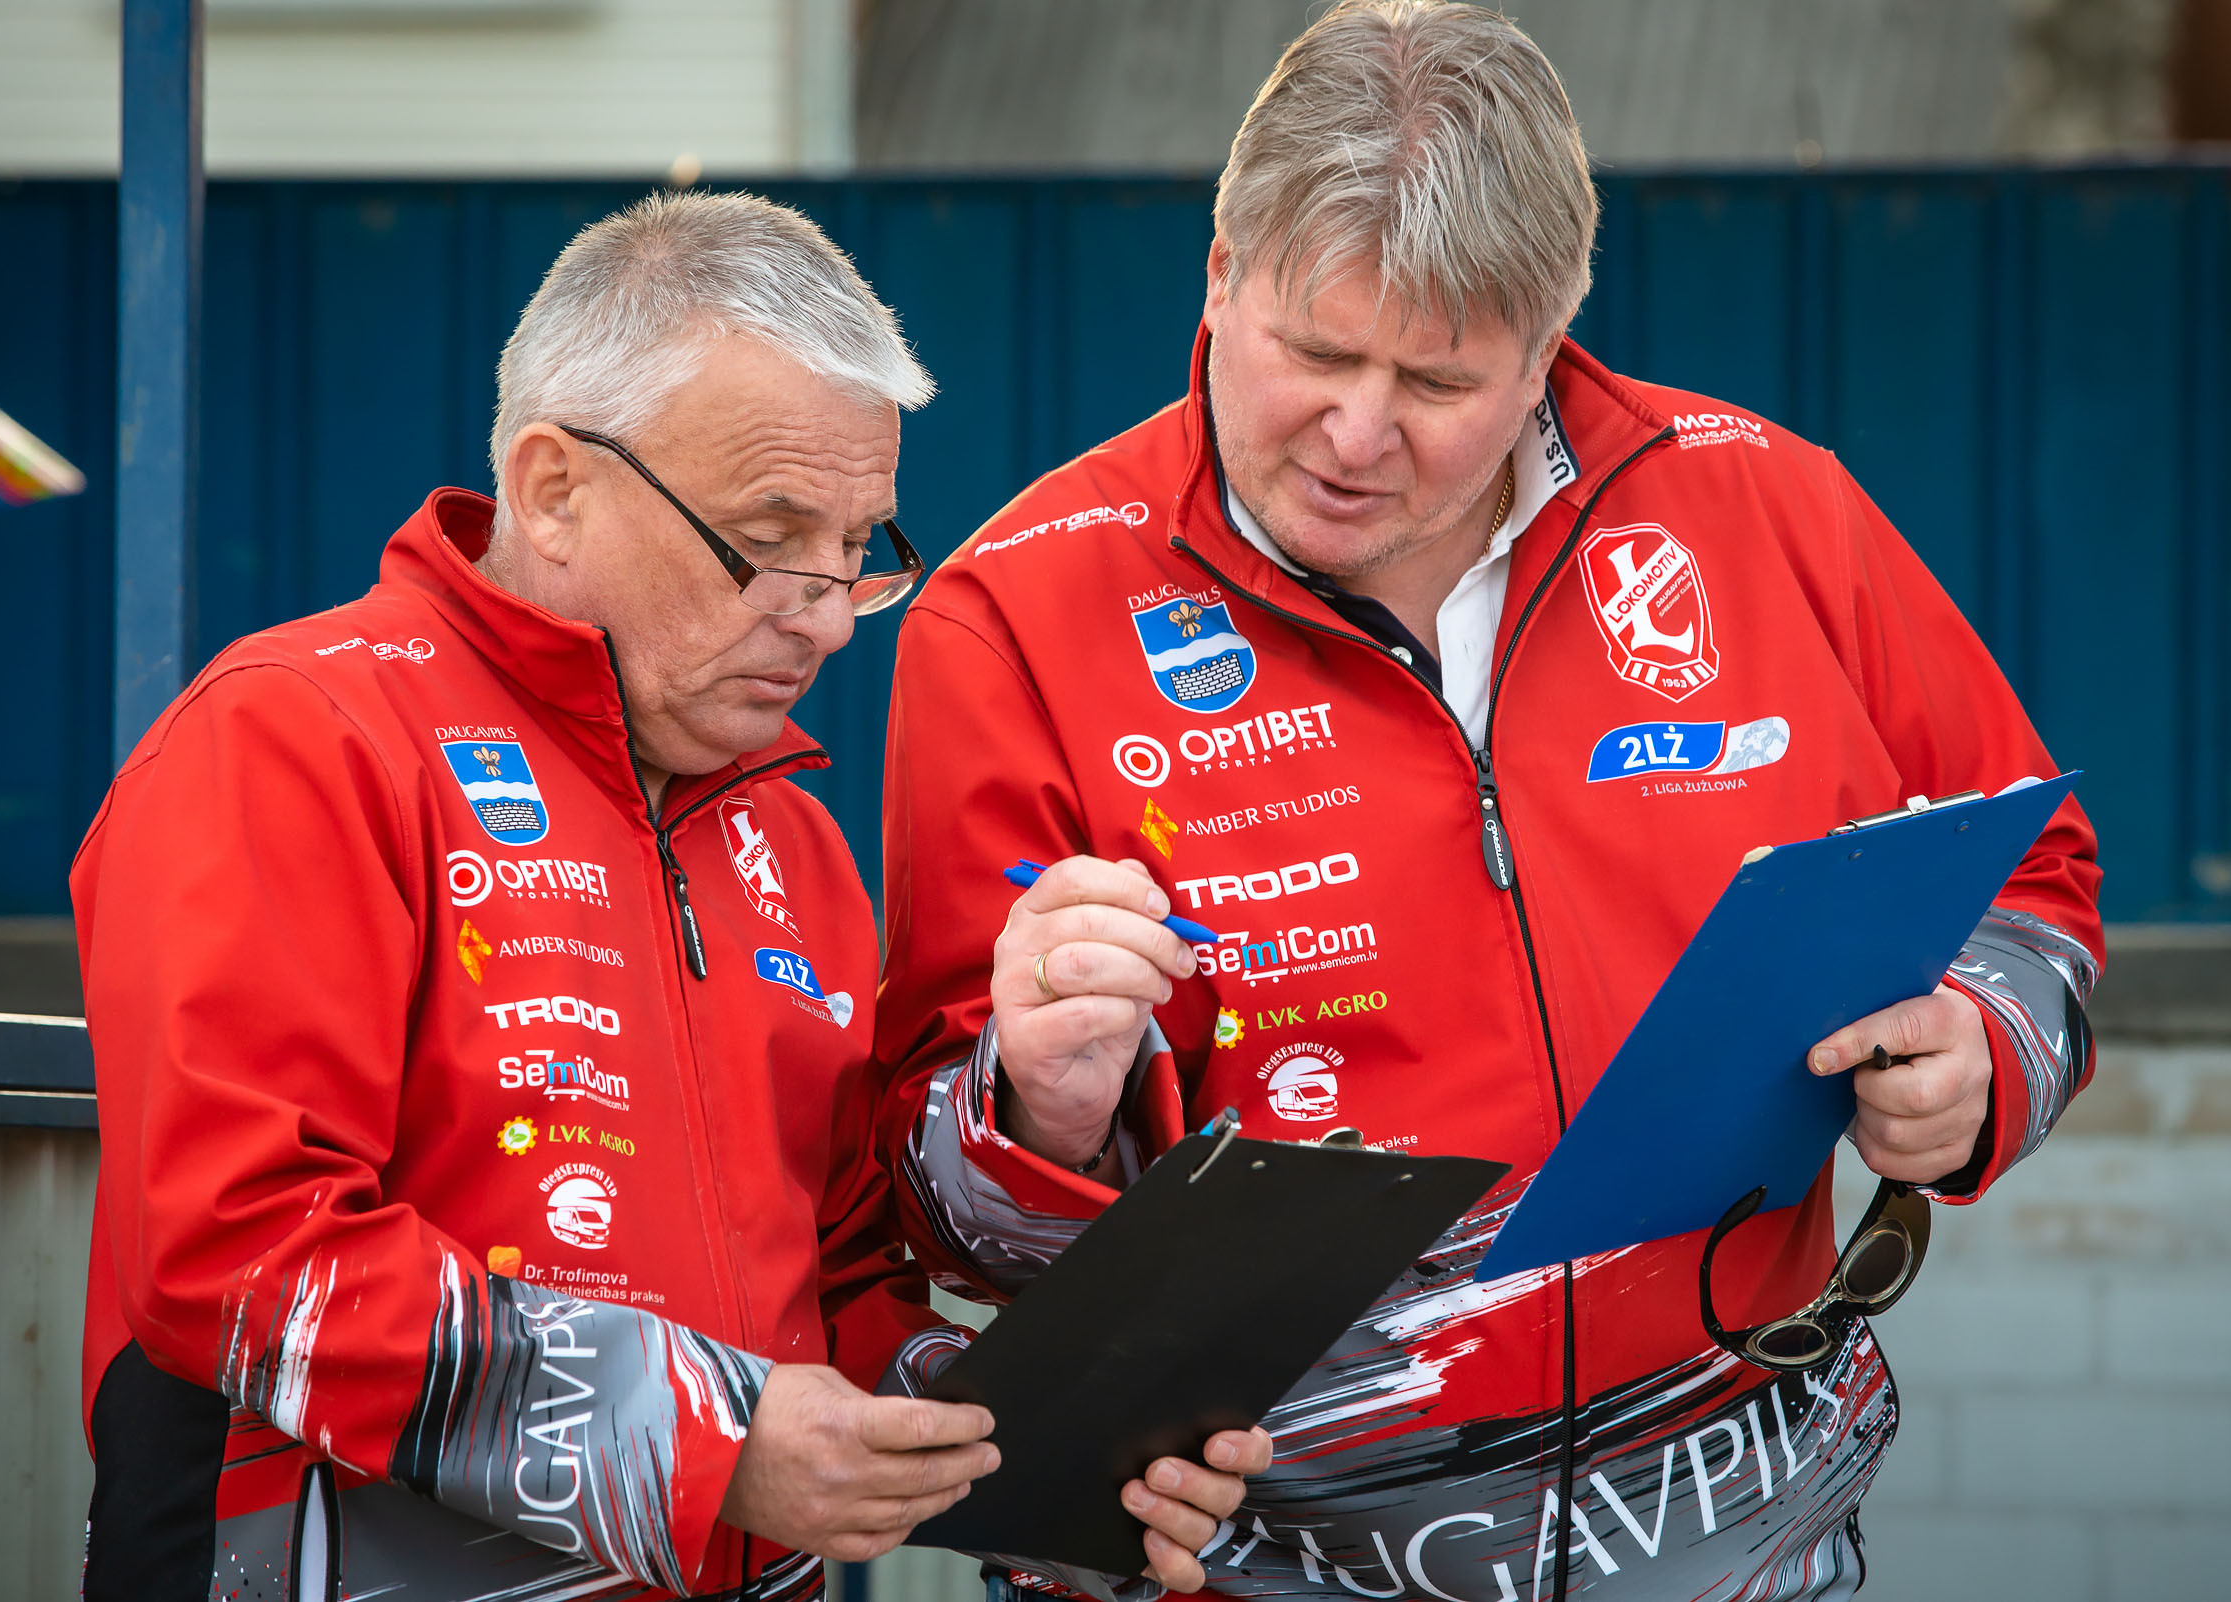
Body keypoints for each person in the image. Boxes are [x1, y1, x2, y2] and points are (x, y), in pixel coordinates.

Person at [874, 4, 2102, 1598]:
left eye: (1437, 378)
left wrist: (1982, 1050)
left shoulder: (1766, 507)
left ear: (1544, 347)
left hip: (1733, 1532)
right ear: (1221, 275)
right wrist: (1033, 1104)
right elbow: (943, 1217)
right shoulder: (1016, 614)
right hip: (1247, 1563)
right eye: (1316, 352)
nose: (1356, 432)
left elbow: (2030, 878)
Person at [74, 191, 1259, 1602]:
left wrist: (1050, 1456)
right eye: (770, 537)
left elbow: (830, 1291)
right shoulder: (297, 737)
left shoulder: (791, 838)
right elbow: (237, 1250)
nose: (827, 614)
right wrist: (707, 1440)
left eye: (859, 548)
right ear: (553, 487)